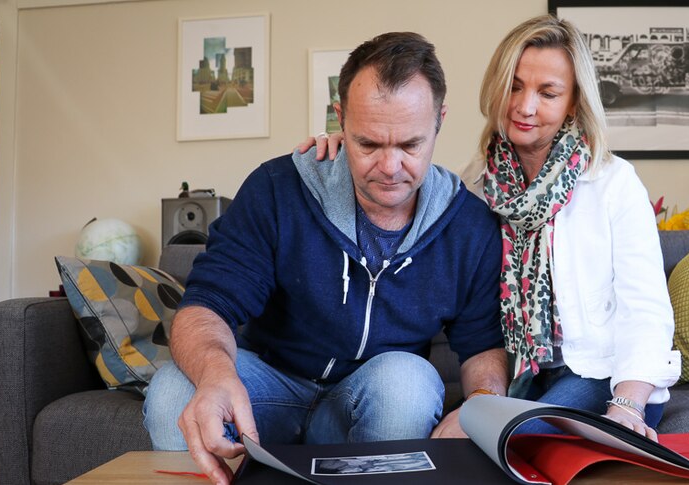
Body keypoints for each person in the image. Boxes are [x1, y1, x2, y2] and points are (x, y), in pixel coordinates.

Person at [144, 31, 507, 485]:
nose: (390, 167)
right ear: (340, 118)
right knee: (170, 391)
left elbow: (482, 346)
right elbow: (206, 305)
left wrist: (477, 407)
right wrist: (217, 375)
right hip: (270, 388)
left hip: (370, 395)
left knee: (408, 385)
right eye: (369, 144)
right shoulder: (279, 188)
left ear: (439, 120)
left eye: (410, 145)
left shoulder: (467, 224)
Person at [306, 15, 680, 441]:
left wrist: (627, 405)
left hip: (604, 378)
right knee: (460, 437)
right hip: (522, 379)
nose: (525, 106)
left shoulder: (612, 182)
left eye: (548, 93)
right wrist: (342, 152)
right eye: (515, 86)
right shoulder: (475, 186)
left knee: (497, 440)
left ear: (574, 102)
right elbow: (395, 169)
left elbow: (646, 310)